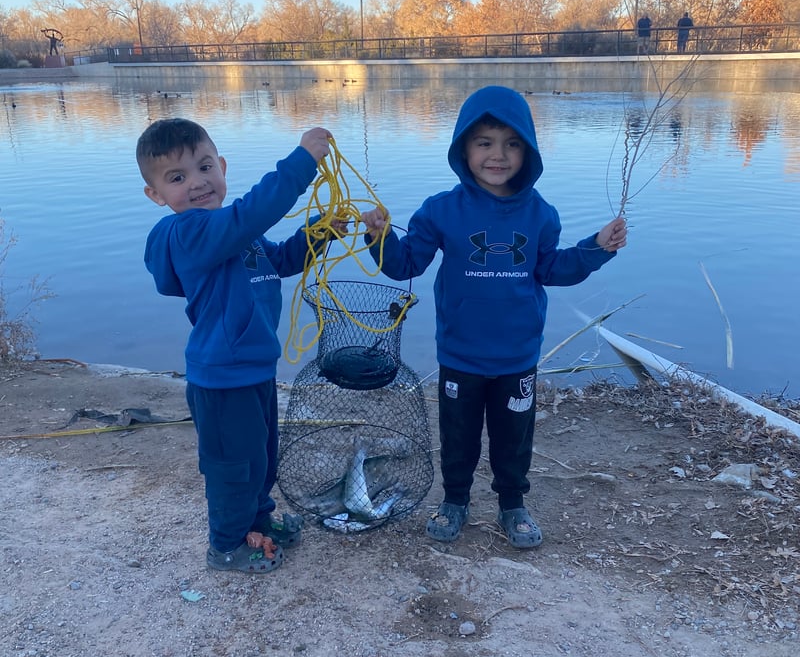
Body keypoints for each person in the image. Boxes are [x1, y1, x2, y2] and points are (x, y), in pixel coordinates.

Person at [360, 86, 627, 550]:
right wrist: (379, 237)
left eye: (511, 143)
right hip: (461, 354)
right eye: (484, 142)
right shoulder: (440, 210)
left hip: (517, 356)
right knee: (458, 435)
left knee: (513, 438)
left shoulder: (542, 214)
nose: (498, 155)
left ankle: (512, 504)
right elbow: (406, 265)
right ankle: (455, 500)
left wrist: (596, 248)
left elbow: (552, 269)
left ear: (528, 150)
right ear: (464, 147)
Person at [136, 117, 337, 575]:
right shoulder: (188, 234)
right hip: (222, 379)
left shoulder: (234, 232)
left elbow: (282, 259)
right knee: (233, 468)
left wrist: (323, 230)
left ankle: (257, 525)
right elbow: (251, 212)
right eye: (177, 177)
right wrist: (302, 162)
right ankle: (226, 545)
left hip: (256, 369)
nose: (198, 183)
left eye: (205, 167)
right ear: (156, 195)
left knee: (261, 458)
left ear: (222, 166)